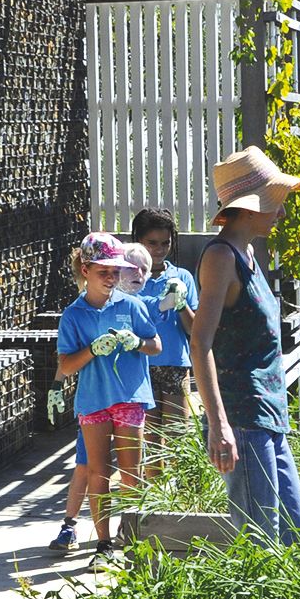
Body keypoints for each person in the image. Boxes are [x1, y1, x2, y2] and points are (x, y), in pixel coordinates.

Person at [191, 146, 300, 544]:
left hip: (268, 415)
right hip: (241, 417)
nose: (280, 212)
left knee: (297, 537)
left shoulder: (248, 253)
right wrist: (219, 424)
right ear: (247, 207)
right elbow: (201, 343)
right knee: (262, 541)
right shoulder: (221, 257)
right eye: (274, 202)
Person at [56, 231, 161, 555]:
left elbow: (155, 345)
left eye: (116, 271)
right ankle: (103, 543)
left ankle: (131, 537)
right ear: (85, 270)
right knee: (98, 472)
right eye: (104, 272)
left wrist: (137, 342)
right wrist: (92, 350)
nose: (111, 278)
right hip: (93, 400)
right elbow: (67, 364)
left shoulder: (132, 305)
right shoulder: (74, 314)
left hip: (129, 396)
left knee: (132, 471)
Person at [132, 207, 199, 431]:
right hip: (140, 364)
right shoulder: (128, 279)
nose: (159, 249)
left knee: (177, 437)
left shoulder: (182, 277)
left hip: (176, 364)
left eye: (165, 243)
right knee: (149, 442)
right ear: (138, 241)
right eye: (152, 243)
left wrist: (181, 304)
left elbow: (193, 329)